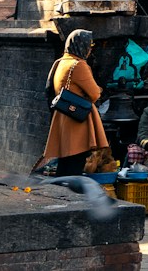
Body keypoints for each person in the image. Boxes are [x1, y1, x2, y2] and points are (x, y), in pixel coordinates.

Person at [40, 30, 108, 177]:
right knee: (75, 163)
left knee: (65, 163)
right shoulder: (78, 65)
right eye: (89, 45)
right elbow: (95, 94)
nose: (90, 49)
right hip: (77, 120)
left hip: (64, 116)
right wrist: (99, 89)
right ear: (81, 46)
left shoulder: (61, 62)